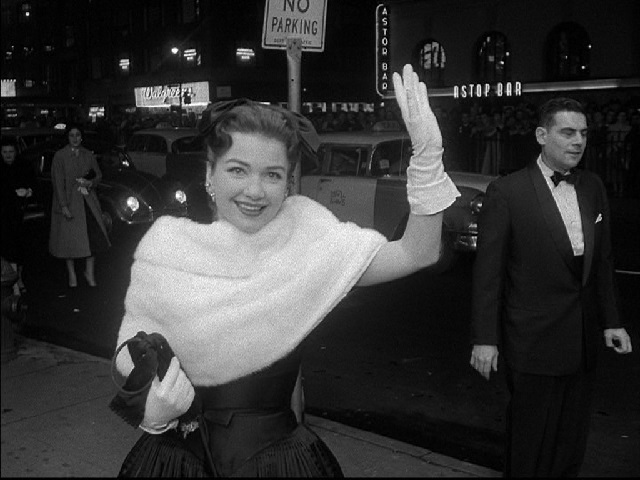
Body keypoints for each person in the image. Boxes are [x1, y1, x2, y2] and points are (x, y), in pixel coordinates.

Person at [111, 64, 460, 477]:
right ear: (209, 174)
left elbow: (418, 252)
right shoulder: (165, 248)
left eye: (272, 175)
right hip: (173, 462)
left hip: (276, 464)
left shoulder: (308, 238)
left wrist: (428, 157)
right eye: (237, 169)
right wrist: (151, 409)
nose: (255, 191)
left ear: (289, 182)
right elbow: (128, 352)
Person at [469, 97, 633, 477]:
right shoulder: (507, 192)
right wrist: (484, 338)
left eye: (584, 134)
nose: (578, 141)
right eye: (568, 132)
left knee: (570, 441)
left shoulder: (592, 186)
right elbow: (488, 272)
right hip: (531, 340)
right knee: (529, 442)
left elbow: (603, 261)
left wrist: (612, 321)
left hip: (582, 339)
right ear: (542, 135)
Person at [49, 123, 111, 288]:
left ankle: (89, 273)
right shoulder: (60, 156)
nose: (75, 138)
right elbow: (58, 183)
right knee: (68, 243)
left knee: (94, 240)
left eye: (78, 135)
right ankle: (72, 274)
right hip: (69, 202)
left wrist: (90, 182)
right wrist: (63, 206)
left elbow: (98, 175)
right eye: (71, 135)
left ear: (82, 137)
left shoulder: (87, 155)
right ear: (67, 137)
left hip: (87, 202)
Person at [1, 138, 35, 296]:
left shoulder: (24, 166)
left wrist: (28, 191)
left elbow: (34, 184)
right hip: (5, 215)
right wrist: (15, 193)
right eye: (5, 152)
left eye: (11, 152)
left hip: (23, 215)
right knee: (10, 249)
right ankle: (14, 284)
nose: (8, 155)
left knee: (22, 250)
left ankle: (19, 279)